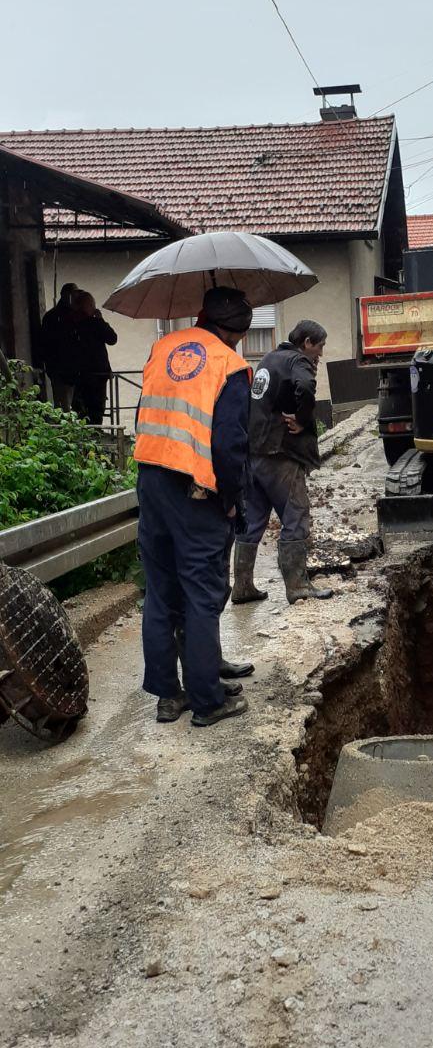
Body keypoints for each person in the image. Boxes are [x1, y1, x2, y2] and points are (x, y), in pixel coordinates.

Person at [134, 285, 252, 727]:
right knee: (203, 594)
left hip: (151, 480)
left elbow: (144, 417)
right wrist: (232, 500)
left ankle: (169, 696)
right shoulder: (230, 365)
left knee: (162, 593)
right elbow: (230, 445)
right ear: (237, 332)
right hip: (196, 489)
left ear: (201, 317)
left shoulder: (160, 349)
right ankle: (207, 701)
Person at [232, 319, 332, 606]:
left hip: (255, 453)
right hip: (281, 454)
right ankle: (298, 585)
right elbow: (305, 386)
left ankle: (242, 587)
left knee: (252, 520)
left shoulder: (268, 359)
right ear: (307, 343)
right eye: (320, 346)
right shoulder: (296, 360)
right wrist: (301, 420)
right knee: (296, 515)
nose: (320, 354)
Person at [72, 291, 117, 425]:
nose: (94, 307)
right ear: (86, 306)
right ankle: (95, 434)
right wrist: (100, 320)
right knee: (96, 408)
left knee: (82, 408)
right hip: (97, 373)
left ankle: (85, 435)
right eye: (92, 304)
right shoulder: (94, 323)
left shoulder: (72, 324)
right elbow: (112, 338)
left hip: (79, 373)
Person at [39, 283, 84, 411]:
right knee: (64, 405)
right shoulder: (58, 317)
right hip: (62, 368)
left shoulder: (55, 316)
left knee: (68, 404)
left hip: (67, 368)